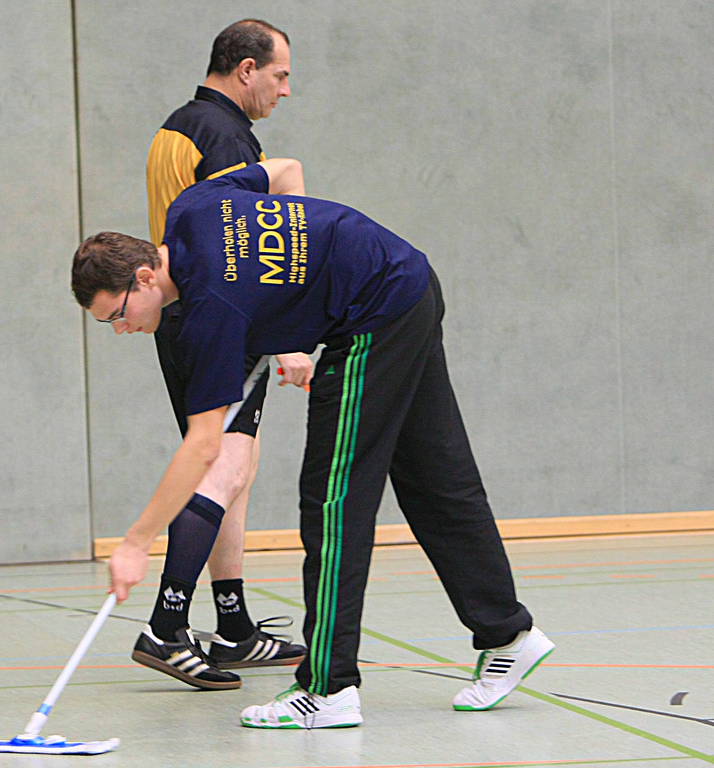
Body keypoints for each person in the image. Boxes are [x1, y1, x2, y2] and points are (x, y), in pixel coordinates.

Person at [70, 157, 555, 728]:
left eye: (117, 314)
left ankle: (327, 688)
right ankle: (507, 634)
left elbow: (203, 446)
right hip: (409, 279)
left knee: (332, 502)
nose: (121, 328)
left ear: (145, 277)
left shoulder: (210, 313)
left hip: (373, 315)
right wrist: (295, 283)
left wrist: (135, 543)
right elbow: (282, 171)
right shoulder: (191, 207)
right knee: (436, 478)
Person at [136, 18, 309, 691]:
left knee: (237, 465)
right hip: (215, 321)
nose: (284, 90)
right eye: (279, 75)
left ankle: (232, 624)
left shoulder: (179, 125)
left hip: (185, 319)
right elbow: (253, 243)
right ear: (245, 69)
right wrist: (287, 332)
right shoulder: (226, 137)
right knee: (225, 464)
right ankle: (166, 624)